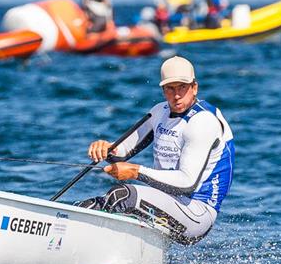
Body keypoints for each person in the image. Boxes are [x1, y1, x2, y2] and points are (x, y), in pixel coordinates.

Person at [77, 56, 235, 244]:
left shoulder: (203, 122)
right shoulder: (159, 111)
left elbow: (187, 183)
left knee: (122, 196)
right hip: (167, 202)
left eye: (182, 87)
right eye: (170, 88)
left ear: (194, 88)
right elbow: (123, 150)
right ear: (163, 90)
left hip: (197, 213)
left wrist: (136, 172)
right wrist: (106, 148)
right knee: (91, 205)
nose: (176, 95)